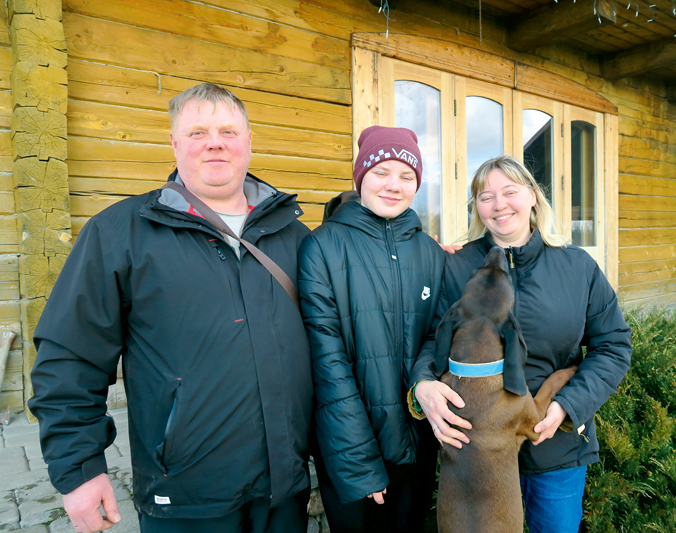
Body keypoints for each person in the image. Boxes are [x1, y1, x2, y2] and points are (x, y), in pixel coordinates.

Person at [29, 83, 313, 533]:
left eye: (228, 130)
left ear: (249, 141)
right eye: (197, 131)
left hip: (286, 487)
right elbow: (70, 357)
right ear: (174, 143)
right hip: (185, 493)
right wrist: (80, 470)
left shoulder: (292, 234)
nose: (215, 142)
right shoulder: (120, 233)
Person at [411, 155, 632, 533]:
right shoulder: (457, 266)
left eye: (509, 192)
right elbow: (433, 338)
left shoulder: (577, 267)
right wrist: (423, 386)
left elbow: (613, 346)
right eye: (485, 196)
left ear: (532, 196)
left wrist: (567, 406)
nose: (498, 205)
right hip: (474, 456)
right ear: (476, 207)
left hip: (557, 451)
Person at [298, 126, 444, 533]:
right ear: (361, 176)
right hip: (351, 452)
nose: (393, 185)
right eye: (381, 172)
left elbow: (437, 335)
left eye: (406, 176)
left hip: (416, 448)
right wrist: (359, 462)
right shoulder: (322, 247)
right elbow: (326, 360)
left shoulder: (432, 253)